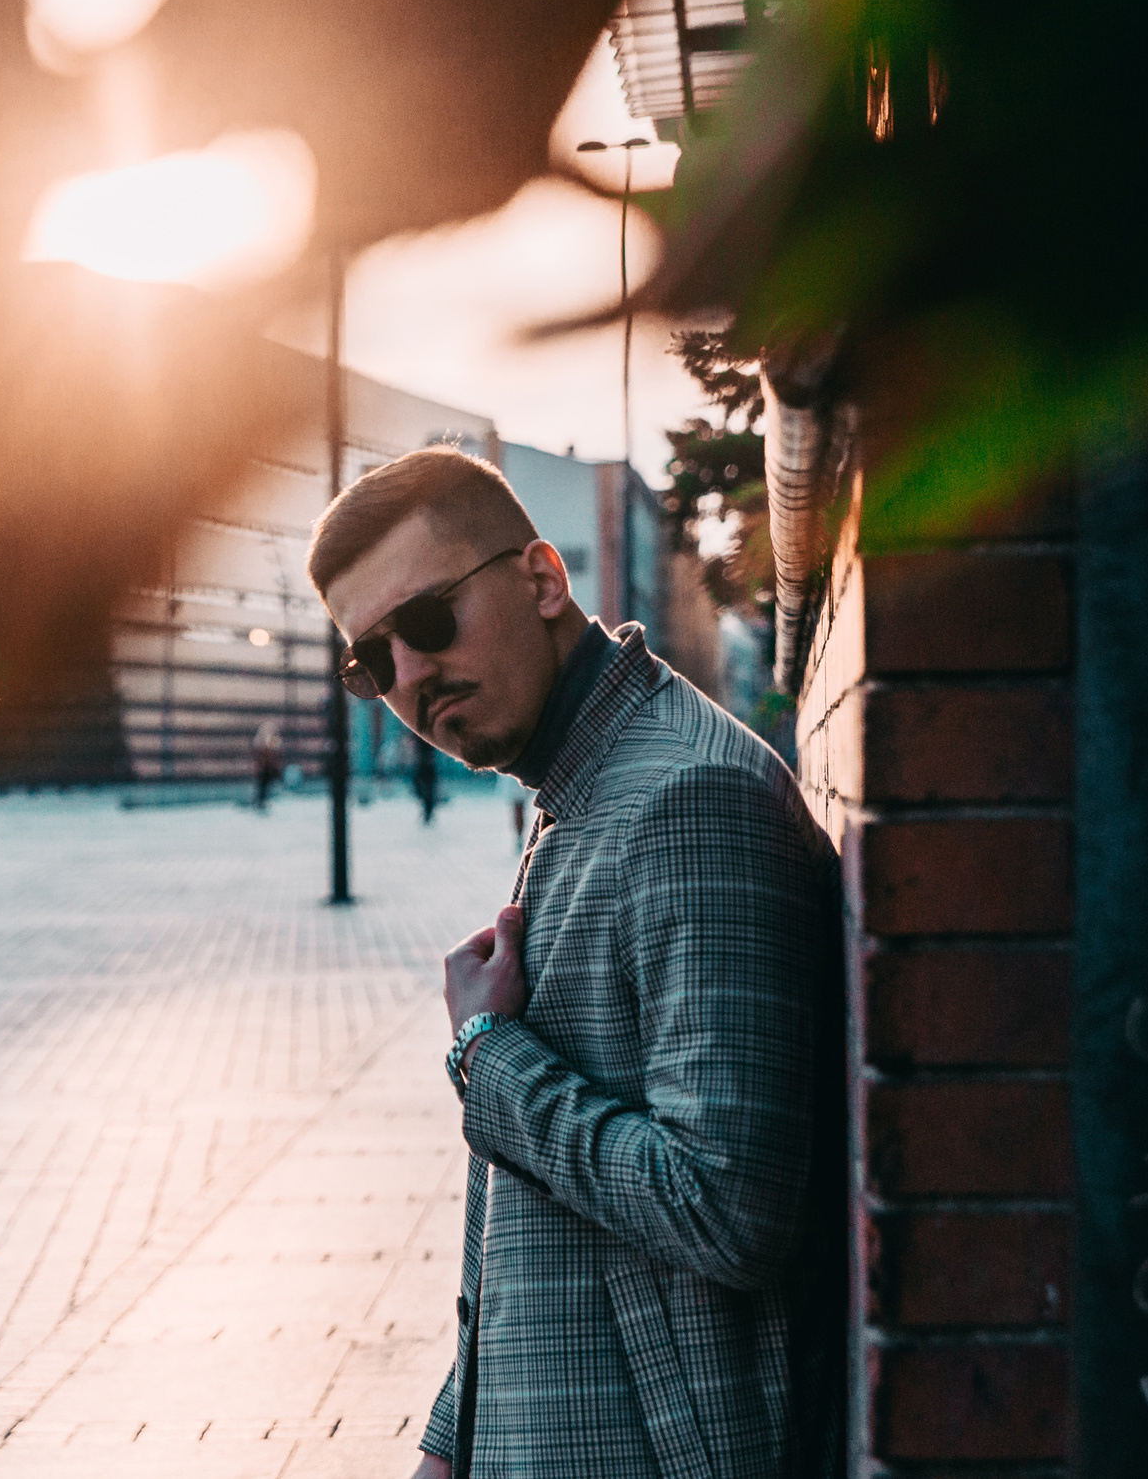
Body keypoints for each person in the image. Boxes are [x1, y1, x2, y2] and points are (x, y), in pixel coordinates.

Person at [306, 447, 846, 1479]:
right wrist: (449, 1444)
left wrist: (486, 1055)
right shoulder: (583, 791)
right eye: (372, 663)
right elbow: (548, 1220)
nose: (409, 680)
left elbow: (728, 1209)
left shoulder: (686, 802)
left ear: (543, 580)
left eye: (425, 624)